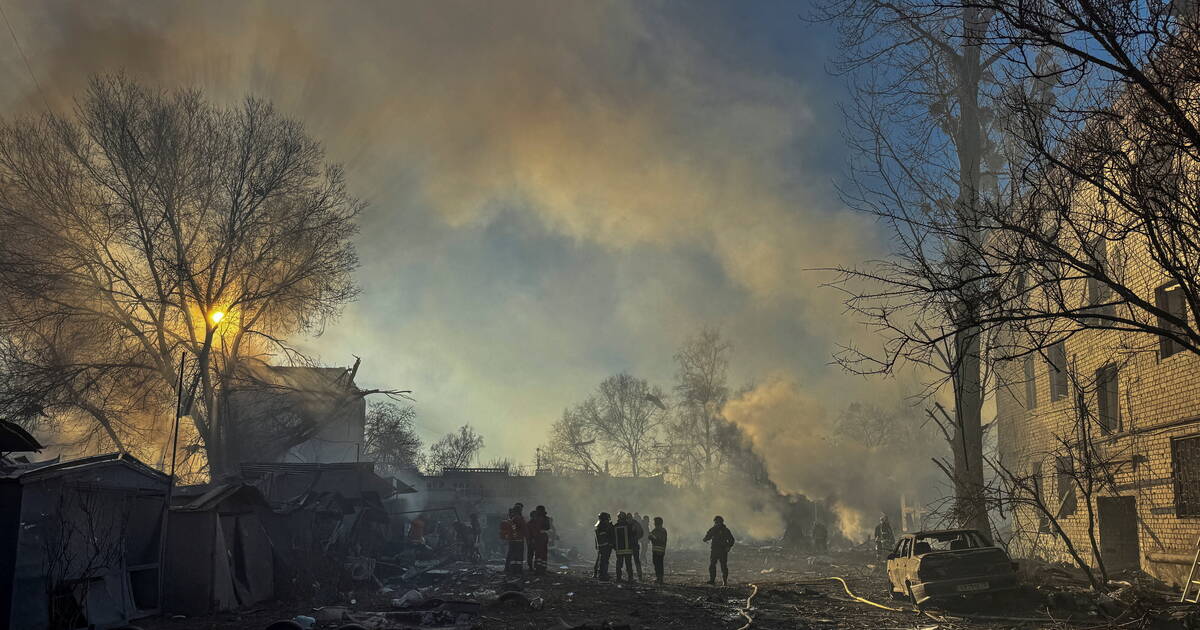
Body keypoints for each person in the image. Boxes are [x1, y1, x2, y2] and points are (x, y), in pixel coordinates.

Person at [703, 515, 735, 586]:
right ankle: (712, 580)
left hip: (723, 551)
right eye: (716, 522)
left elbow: (732, 540)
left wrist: (728, 547)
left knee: (723, 566)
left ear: (721, 522)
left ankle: (724, 581)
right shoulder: (713, 529)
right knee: (712, 565)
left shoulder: (725, 530)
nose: (716, 524)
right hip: (714, 550)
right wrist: (705, 539)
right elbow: (708, 536)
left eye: (718, 522)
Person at [502, 506, 527, 575]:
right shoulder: (520, 519)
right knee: (518, 556)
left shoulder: (512, 520)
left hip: (513, 541)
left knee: (513, 556)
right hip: (519, 540)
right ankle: (518, 570)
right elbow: (524, 530)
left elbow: (510, 530)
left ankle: (513, 570)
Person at [613, 512, 635, 583]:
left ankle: (618, 578)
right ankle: (630, 578)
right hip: (628, 549)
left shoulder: (615, 526)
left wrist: (614, 547)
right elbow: (633, 536)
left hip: (619, 550)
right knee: (628, 564)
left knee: (619, 564)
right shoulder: (629, 526)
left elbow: (612, 537)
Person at [529, 505, 551, 574]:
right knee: (544, 553)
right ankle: (543, 568)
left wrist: (533, 538)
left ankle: (538, 568)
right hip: (544, 536)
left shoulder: (537, 518)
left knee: (538, 553)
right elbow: (548, 527)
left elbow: (534, 528)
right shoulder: (546, 518)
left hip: (538, 537)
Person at [594, 512, 614, 581]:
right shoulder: (604, 526)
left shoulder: (598, 526)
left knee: (600, 560)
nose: (608, 520)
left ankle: (598, 574)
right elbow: (609, 535)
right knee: (604, 561)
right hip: (605, 545)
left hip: (601, 546)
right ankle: (603, 575)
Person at [648, 516, 668, 584]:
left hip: (659, 551)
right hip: (656, 550)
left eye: (655, 522)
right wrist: (650, 537)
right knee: (657, 564)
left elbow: (661, 540)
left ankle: (660, 578)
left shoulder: (662, 531)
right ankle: (659, 578)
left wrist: (653, 538)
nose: (654, 523)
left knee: (659, 564)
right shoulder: (656, 530)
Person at [629, 511, 645, 581]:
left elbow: (641, 533)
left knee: (633, 561)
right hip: (632, 545)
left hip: (631, 545)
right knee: (633, 561)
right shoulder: (635, 523)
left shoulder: (633, 523)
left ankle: (636, 576)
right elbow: (641, 533)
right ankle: (636, 576)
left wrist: (635, 538)